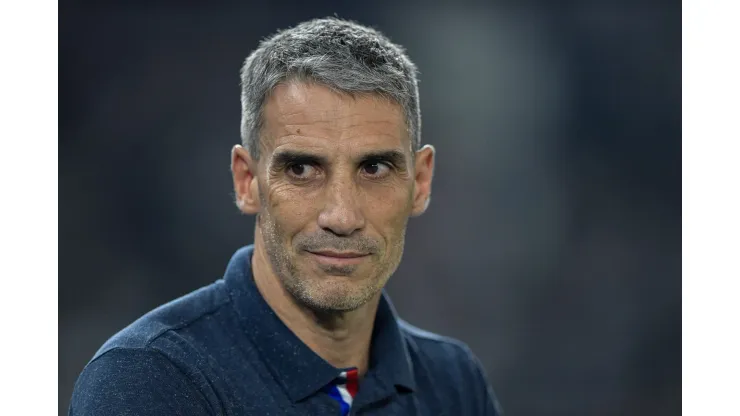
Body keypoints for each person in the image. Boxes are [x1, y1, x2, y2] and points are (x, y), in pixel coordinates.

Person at [69, 17, 502, 416]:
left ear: (420, 182)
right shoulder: (151, 380)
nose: (341, 215)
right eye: (301, 169)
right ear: (247, 181)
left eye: (374, 168)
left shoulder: (453, 382)